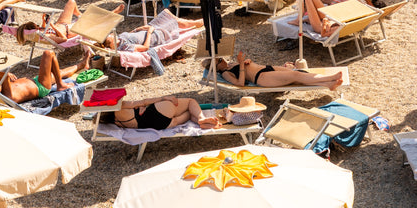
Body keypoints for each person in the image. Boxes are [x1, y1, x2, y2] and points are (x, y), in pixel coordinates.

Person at [0, 50, 92, 103]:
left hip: (36, 81)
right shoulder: (7, 94)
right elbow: (4, 76)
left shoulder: (1, 87)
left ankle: (82, 64)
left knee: (60, 73)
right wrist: (6, 74)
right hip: (41, 87)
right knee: (48, 53)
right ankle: (60, 85)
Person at [215, 51, 344, 91]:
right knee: (295, 75)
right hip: (261, 77)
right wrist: (242, 65)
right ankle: (329, 78)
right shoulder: (225, 74)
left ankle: (327, 84)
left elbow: (245, 66)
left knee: (299, 74)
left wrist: (246, 61)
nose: (223, 60)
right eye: (219, 60)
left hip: (267, 68)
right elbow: (240, 83)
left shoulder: (231, 64)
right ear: (216, 68)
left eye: (221, 58)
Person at [103, 94, 219, 130]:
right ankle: (201, 118)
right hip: (158, 111)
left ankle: (204, 123)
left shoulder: (115, 122)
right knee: (190, 102)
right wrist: (164, 98)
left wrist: (139, 109)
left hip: (162, 125)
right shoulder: (119, 106)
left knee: (189, 114)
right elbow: (143, 101)